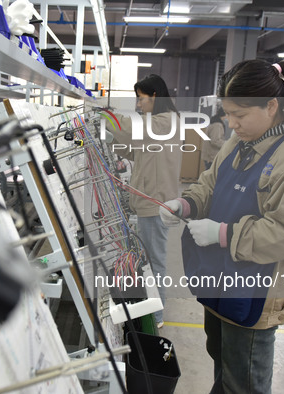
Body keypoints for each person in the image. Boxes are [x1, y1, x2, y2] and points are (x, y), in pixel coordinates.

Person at [159, 60, 284, 393]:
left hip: (256, 291)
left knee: (245, 381)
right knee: (224, 366)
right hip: (221, 280)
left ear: (271, 106)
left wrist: (223, 234)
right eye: (228, 115)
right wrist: (187, 204)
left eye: (240, 115)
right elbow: (210, 183)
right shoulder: (240, 144)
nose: (232, 124)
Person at [106, 74, 182, 328]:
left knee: (155, 262)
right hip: (150, 201)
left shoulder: (166, 121)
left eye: (141, 99)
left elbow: (131, 129)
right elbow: (137, 149)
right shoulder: (160, 124)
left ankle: (157, 316)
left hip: (155, 203)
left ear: (155, 96)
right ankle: (151, 310)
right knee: (149, 259)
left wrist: (108, 118)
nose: (139, 105)